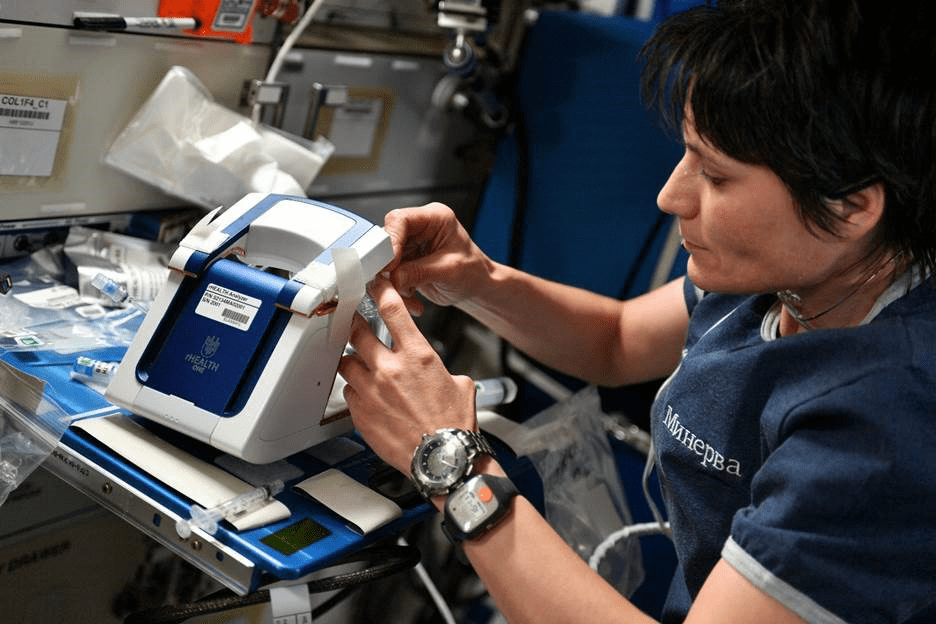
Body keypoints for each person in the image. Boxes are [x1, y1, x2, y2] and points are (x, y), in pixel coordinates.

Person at [337, 1, 936, 622]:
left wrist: (451, 462)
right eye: (686, 154)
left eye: (717, 177)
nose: (671, 195)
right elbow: (616, 341)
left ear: (850, 208)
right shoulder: (795, 274)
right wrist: (478, 280)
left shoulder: (886, 430)